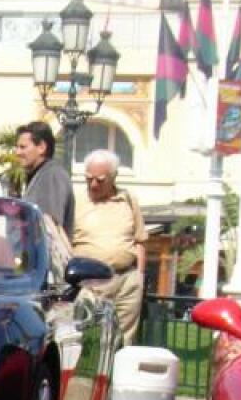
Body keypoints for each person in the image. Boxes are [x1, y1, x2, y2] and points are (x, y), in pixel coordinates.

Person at [72, 149, 148, 345]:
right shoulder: (76, 202)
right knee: (86, 340)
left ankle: (117, 376)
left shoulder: (128, 199)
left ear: (113, 177)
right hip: (90, 283)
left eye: (100, 179)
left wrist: (139, 276)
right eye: (88, 179)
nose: (93, 184)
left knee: (124, 341)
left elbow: (140, 241)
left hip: (127, 281)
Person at [15, 121, 73, 238]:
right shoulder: (40, 174)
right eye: (17, 147)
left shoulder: (52, 175)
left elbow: (49, 226)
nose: (18, 152)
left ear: (41, 147)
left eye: (23, 147)